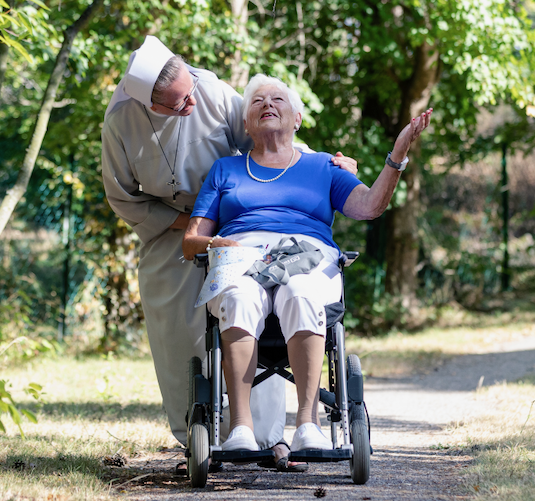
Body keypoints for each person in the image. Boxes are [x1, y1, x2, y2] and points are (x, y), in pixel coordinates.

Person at [101, 36, 357, 465]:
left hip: (242, 226)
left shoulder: (212, 92)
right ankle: (198, 435)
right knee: (180, 335)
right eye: (179, 103)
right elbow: (124, 198)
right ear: (149, 103)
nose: (191, 104)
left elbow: (270, 138)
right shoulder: (120, 122)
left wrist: (328, 165)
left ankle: (269, 436)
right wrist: (199, 227)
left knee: (265, 305)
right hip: (172, 227)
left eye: (190, 92)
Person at [183, 74, 432, 452]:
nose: (268, 104)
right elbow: (190, 243)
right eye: (257, 101)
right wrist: (216, 242)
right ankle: (240, 430)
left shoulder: (323, 166)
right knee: (238, 298)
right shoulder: (225, 170)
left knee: (300, 292)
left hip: (306, 254)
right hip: (243, 256)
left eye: (278, 99)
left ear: (297, 118)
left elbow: (370, 206)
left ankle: (307, 425)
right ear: (246, 124)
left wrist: (397, 155)